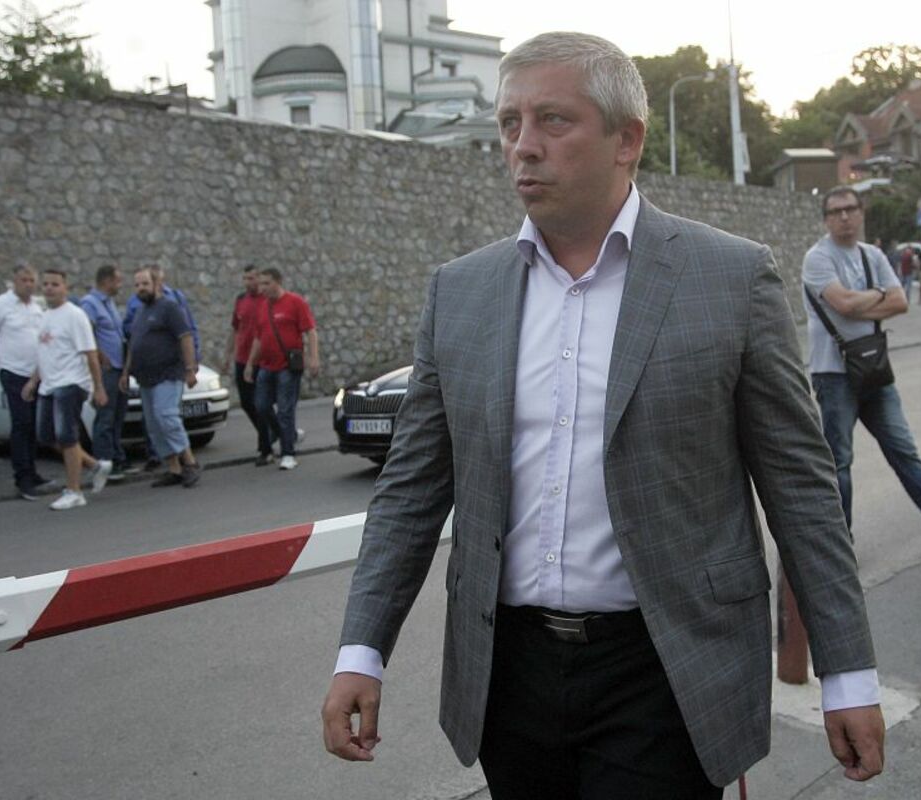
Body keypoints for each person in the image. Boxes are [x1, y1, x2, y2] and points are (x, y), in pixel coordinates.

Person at [321, 32, 885, 799]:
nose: (523, 146)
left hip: (668, 669)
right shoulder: (461, 292)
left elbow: (801, 489)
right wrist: (361, 651)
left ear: (628, 140)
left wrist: (847, 672)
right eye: (510, 123)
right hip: (508, 675)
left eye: (553, 120)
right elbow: (411, 489)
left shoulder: (730, 278)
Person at [802, 187, 921, 544]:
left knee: (903, 449)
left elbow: (900, 303)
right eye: (836, 211)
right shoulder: (817, 258)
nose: (844, 216)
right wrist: (879, 295)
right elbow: (844, 304)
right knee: (840, 462)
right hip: (834, 375)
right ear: (826, 219)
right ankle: (841, 541)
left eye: (850, 209)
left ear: (861, 213)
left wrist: (865, 302)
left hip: (874, 371)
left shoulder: (873, 254)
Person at [23, 269, 112, 511]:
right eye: (46, 284)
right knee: (46, 436)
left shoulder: (75, 316)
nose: (49, 288)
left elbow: (91, 354)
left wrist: (98, 387)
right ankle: (95, 465)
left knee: (67, 437)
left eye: (55, 284)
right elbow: (45, 354)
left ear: (65, 287)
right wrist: (33, 381)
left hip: (71, 383)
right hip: (48, 385)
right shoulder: (44, 317)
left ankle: (74, 491)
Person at [0, 263, 55, 501]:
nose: (29, 285)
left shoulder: (37, 306)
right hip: (14, 372)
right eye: (24, 280)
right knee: (21, 423)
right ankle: (22, 477)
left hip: (36, 373)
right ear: (15, 281)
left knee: (32, 424)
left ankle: (32, 470)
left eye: (32, 281)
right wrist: (1, 357)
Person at [121, 267, 201, 488]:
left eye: (145, 284)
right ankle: (174, 469)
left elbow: (185, 336)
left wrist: (190, 369)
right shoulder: (140, 312)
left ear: (157, 284)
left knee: (166, 416)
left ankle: (190, 463)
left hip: (168, 374)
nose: (140, 288)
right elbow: (133, 344)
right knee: (155, 425)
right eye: (137, 285)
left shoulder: (170, 307)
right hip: (145, 377)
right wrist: (126, 372)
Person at [243, 268, 319, 470]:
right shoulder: (263, 307)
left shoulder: (295, 302)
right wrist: (250, 363)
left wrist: (313, 358)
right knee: (261, 406)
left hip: (287, 366)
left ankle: (288, 453)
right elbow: (258, 338)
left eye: (266, 283)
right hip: (266, 365)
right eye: (261, 283)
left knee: (285, 409)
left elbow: (310, 331)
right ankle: (288, 434)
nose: (262, 288)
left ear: (277, 282)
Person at [78, 264, 136, 480]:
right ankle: (104, 462)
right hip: (106, 368)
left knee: (118, 415)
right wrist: (100, 355)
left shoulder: (109, 303)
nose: (120, 285)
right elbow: (87, 333)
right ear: (107, 281)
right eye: (117, 281)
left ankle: (117, 457)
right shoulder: (90, 304)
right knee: (105, 417)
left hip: (119, 367)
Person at [224, 265, 280, 466]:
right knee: (247, 403)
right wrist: (228, 354)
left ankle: (265, 448)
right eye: (245, 278)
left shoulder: (267, 300)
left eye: (251, 278)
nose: (248, 283)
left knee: (261, 403)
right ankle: (275, 431)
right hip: (242, 358)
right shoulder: (241, 300)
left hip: (261, 360)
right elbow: (235, 328)